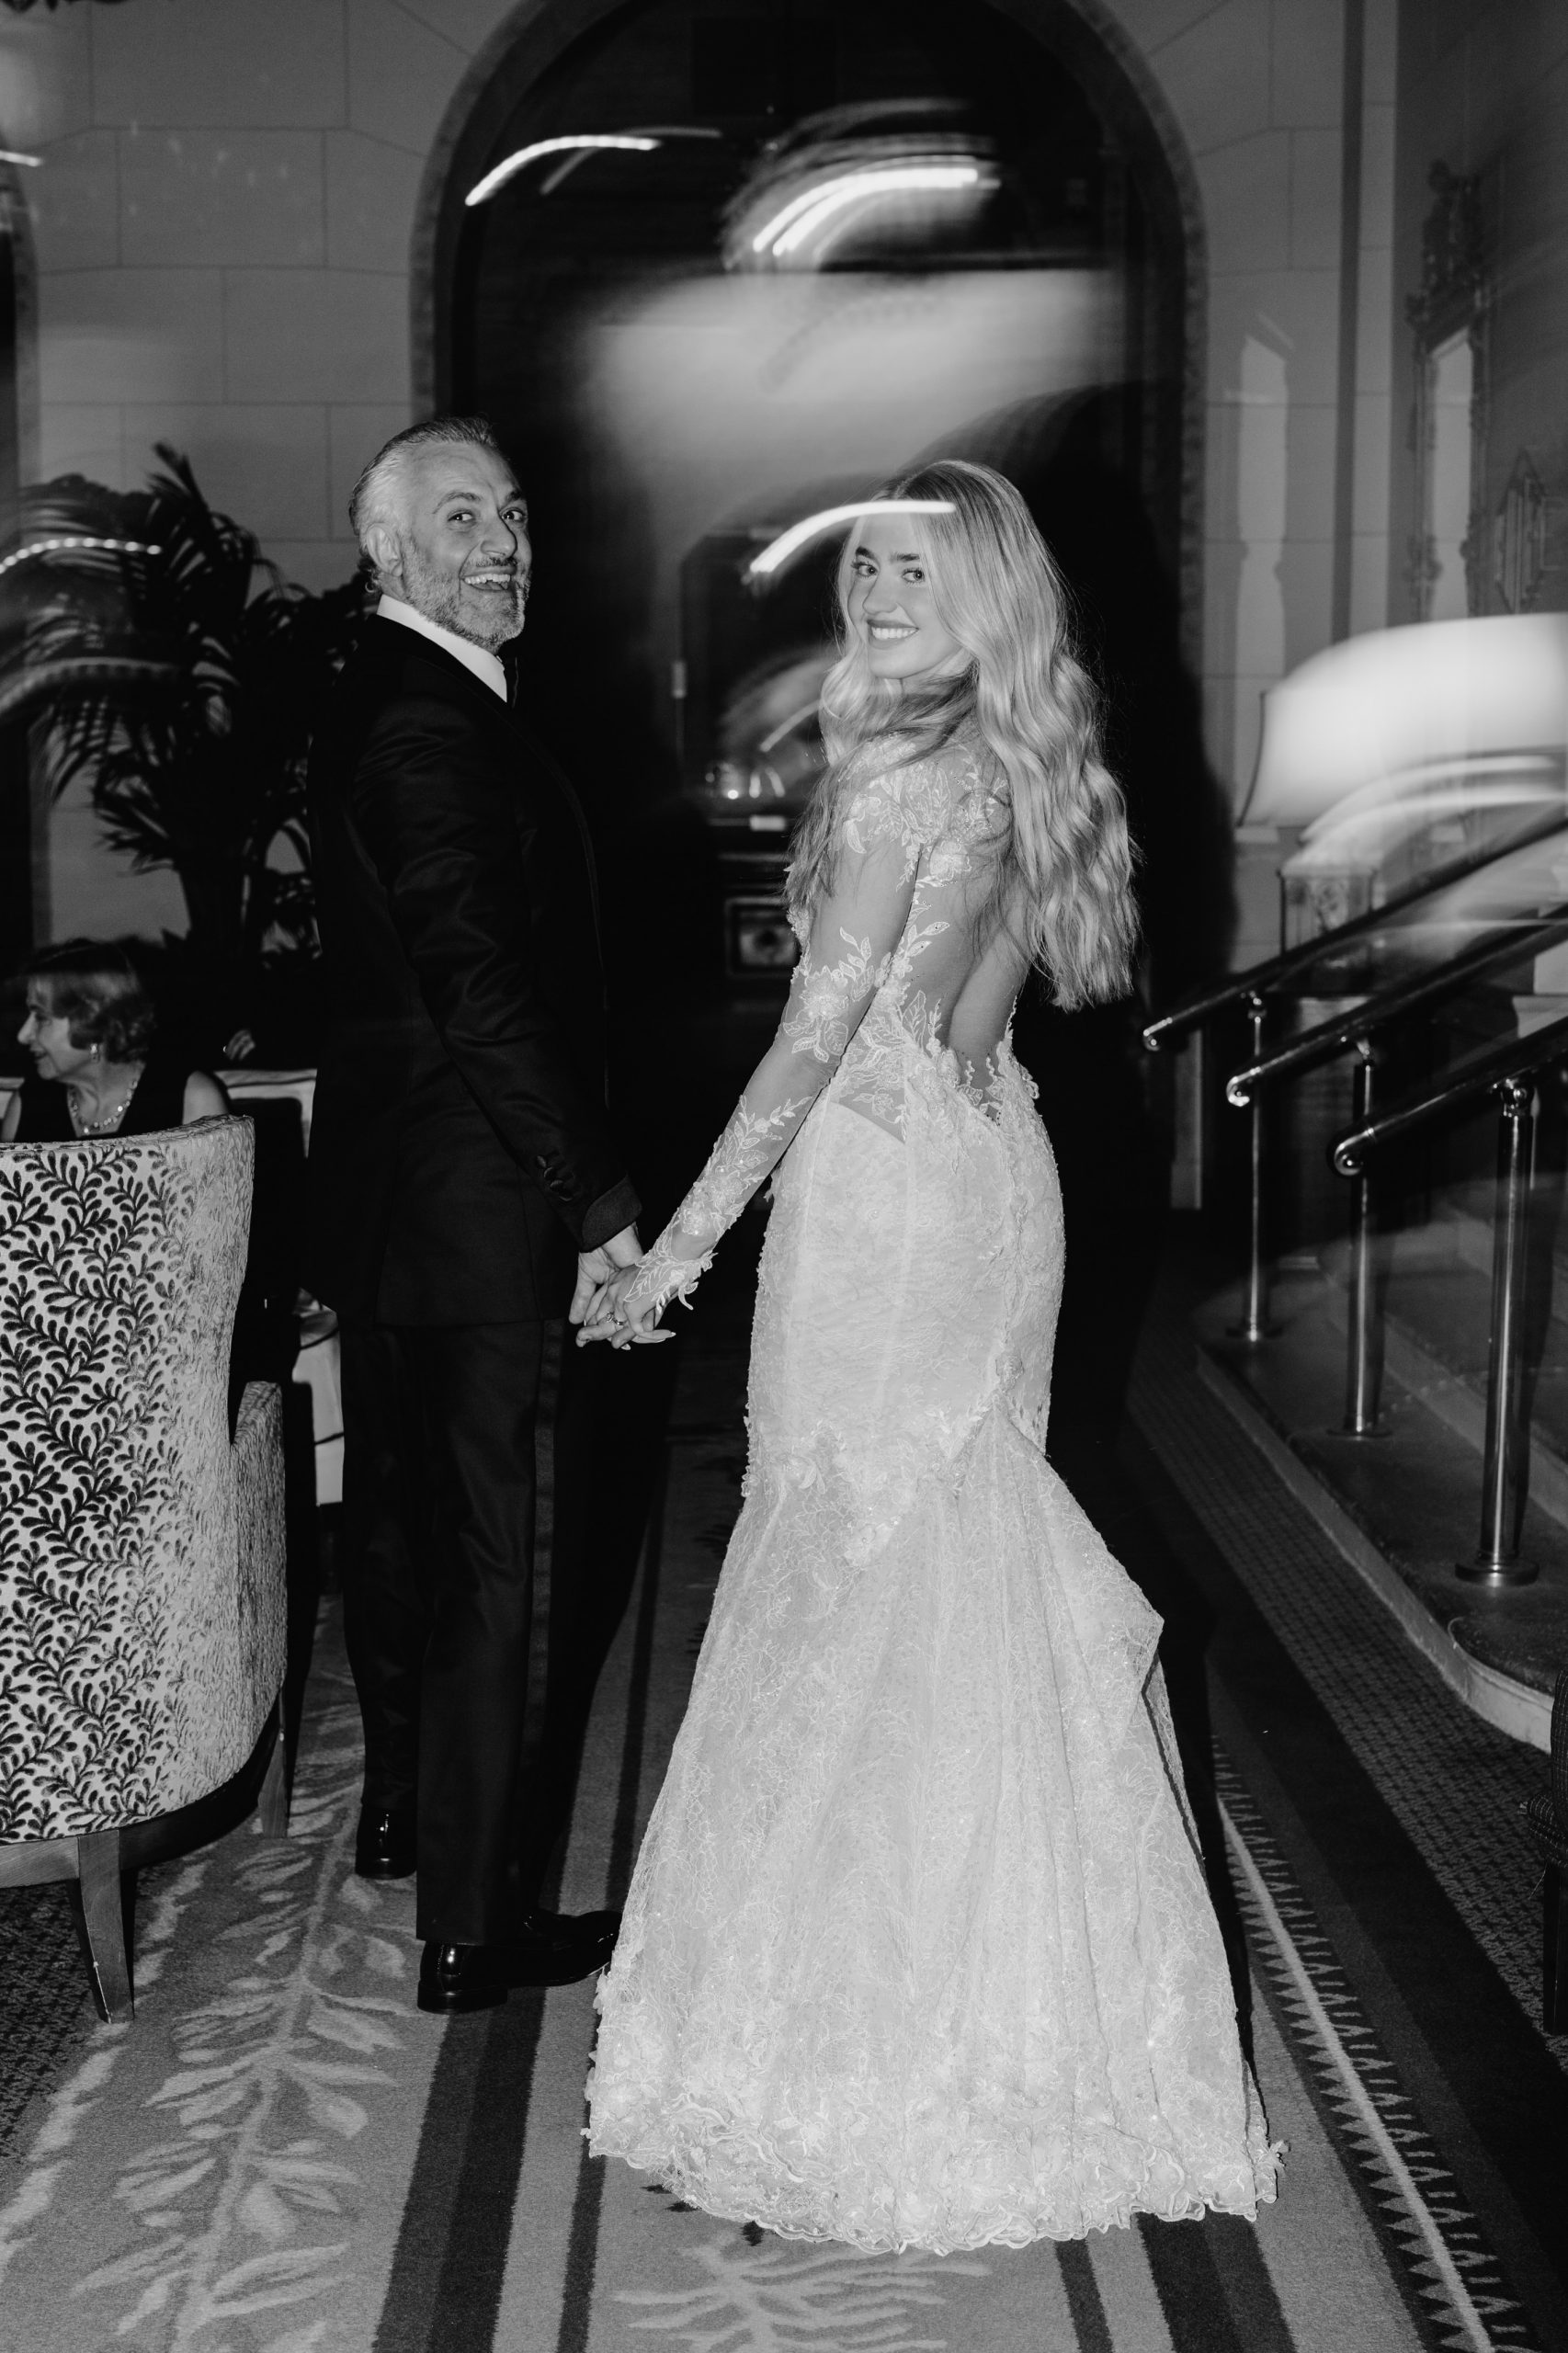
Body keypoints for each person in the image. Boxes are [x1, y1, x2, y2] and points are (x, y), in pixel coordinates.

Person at [581, 460, 1280, 2250]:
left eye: (914, 569)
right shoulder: (1016, 759)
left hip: (887, 1210)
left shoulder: (904, 775)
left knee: (850, 1574)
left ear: (980, 594)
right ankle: (1006, 2030)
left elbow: (816, 1041)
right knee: (940, 1559)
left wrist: (677, 1245)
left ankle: (847, 2060)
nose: (877, 592)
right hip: (986, 1176)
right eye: (866, 568)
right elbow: (974, 1017)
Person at [306, 415, 662, 2019]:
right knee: (504, 1568)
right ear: (386, 548)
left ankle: (403, 1816)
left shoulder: (400, 695)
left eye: (511, 515)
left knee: (406, 1535)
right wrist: (593, 1196)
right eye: (459, 519)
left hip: (404, 1202)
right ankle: (477, 1922)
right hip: (485, 1206)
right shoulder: (429, 720)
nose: (503, 545)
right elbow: (479, 985)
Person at [3, 939, 227, 1141]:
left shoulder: (192, 1098)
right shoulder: (28, 1104)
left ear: (94, 1020)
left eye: (41, 1017)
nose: (23, 1035)